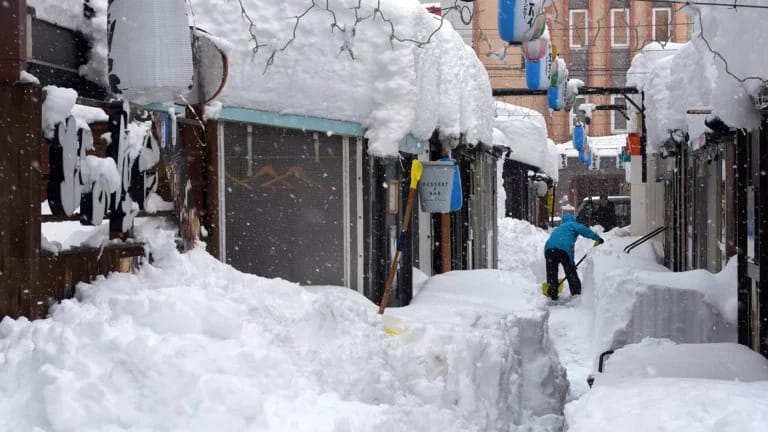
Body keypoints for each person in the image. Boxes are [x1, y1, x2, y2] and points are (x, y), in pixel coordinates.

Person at [544, 213, 603, 300]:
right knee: (570, 272)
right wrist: (597, 238)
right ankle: (576, 294)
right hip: (563, 249)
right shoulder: (572, 224)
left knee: (551, 272)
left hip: (549, 249)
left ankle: (552, 291)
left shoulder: (559, 228)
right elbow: (584, 230)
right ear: (573, 219)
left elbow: (555, 241)